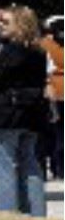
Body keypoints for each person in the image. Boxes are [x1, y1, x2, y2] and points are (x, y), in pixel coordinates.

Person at [0, 6, 50, 216]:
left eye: (6, 22)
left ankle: (4, 217)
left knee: (2, 167)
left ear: (20, 25)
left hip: (5, 114)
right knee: (31, 165)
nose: (1, 25)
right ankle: (36, 215)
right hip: (32, 114)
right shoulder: (39, 52)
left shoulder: (10, 51)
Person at [42, 14, 64, 181]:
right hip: (57, 90)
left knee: (53, 132)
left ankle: (55, 166)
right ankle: (60, 167)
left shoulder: (43, 45)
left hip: (53, 91)